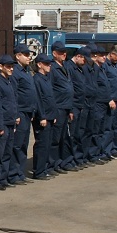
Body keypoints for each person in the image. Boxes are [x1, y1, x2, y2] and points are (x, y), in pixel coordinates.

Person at [0, 54, 19, 189]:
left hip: (10, 122)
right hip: (2, 123)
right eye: (8, 66)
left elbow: (13, 101)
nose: (11, 69)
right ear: (1, 67)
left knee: (7, 152)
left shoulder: (10, 81)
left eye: (12, 66)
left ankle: (3, 178)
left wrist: (14, 120)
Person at [50, 41, 77, 173]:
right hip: (58, 107)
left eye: (65, 52)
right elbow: (50, 91)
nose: (64, 54)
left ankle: (64, 161)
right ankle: (54, 164)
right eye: (61, 52)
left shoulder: (65, 66)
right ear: (54, 54)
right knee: (55, 138)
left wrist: (71, 108)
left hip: (66, 107)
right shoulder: (52, 68)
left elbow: (69, 87)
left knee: (64, 137)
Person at [10, 43, 37, 182]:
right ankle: (14, 174)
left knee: (24, 144)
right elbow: (14, 94)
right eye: (26, 55)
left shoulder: (26, 71)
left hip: (27, 112)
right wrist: (16, 114)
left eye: (29, 55)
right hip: (20, 112)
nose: (29, 57)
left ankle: (20, 172)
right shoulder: (15, 72)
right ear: (18, 56)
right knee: (17, 144)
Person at [31, 53, 59, 180]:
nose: (49, 66)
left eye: (50, 63)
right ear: (39, 65)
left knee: (48, 144)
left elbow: (50, 98)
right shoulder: (37, 79)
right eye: (47, 64)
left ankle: (45, 168)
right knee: (41, 144)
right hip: (43, 118)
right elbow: (38, 100)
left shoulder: (46, 78)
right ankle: (39, 170)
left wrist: (53, 115)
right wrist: (42, 116)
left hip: (49, 116)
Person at [65, 46, 92, 168]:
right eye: (84, 60)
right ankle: (71, 159)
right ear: (78, 56)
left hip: (81, 105)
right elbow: (70, 88)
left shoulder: (79, 68)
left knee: (79, 133)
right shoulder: (69, 67)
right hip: (74, 105)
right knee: (73, 135)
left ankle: (78, 158)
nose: (85, 63)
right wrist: (71, 108)